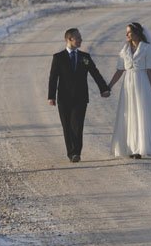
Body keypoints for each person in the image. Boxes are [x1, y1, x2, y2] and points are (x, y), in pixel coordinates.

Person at [106, 22, 151, 159]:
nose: (127, 35)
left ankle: (142, 146)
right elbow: (120, 70)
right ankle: (130, 147)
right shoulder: (125, 49)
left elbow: (150, 71)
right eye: (127, 32)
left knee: (141, 113)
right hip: (128, 85)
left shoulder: (147, 49)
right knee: (129, 114)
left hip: (142, 84)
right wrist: (109, 86)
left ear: (137, 33)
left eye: (129, 32)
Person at [47, 28, 110, 163]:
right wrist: (51, 96)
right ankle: (70, 152)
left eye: (81, 38)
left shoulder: (85, 57)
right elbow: (53, 78)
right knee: (67, 126)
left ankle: (76, 152)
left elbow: (95, 73)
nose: (81, 40)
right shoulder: (58, 57)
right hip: (64, 98)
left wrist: (104, 88)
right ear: (69, 39)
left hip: (80, 98)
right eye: (78, 38)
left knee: (77, 125)